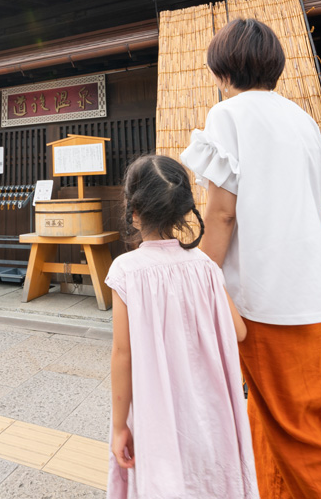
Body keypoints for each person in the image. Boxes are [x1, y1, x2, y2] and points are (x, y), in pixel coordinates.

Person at [181, 18, 321, 499]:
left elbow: (222, 215)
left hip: (266, 299)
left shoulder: (229, 114)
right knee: (277, 419)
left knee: (299, 439)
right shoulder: (302, 121)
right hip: (315, 294)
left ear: (221, 69)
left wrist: (197, 275)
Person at [106, 154, 256, 499]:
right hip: (213, 413)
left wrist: (119, 427)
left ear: (134, 210)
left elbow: (122, 354)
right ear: (183, 209)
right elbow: (239, 332)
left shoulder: (127, 270)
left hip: (159, 413)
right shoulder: (203, 265)